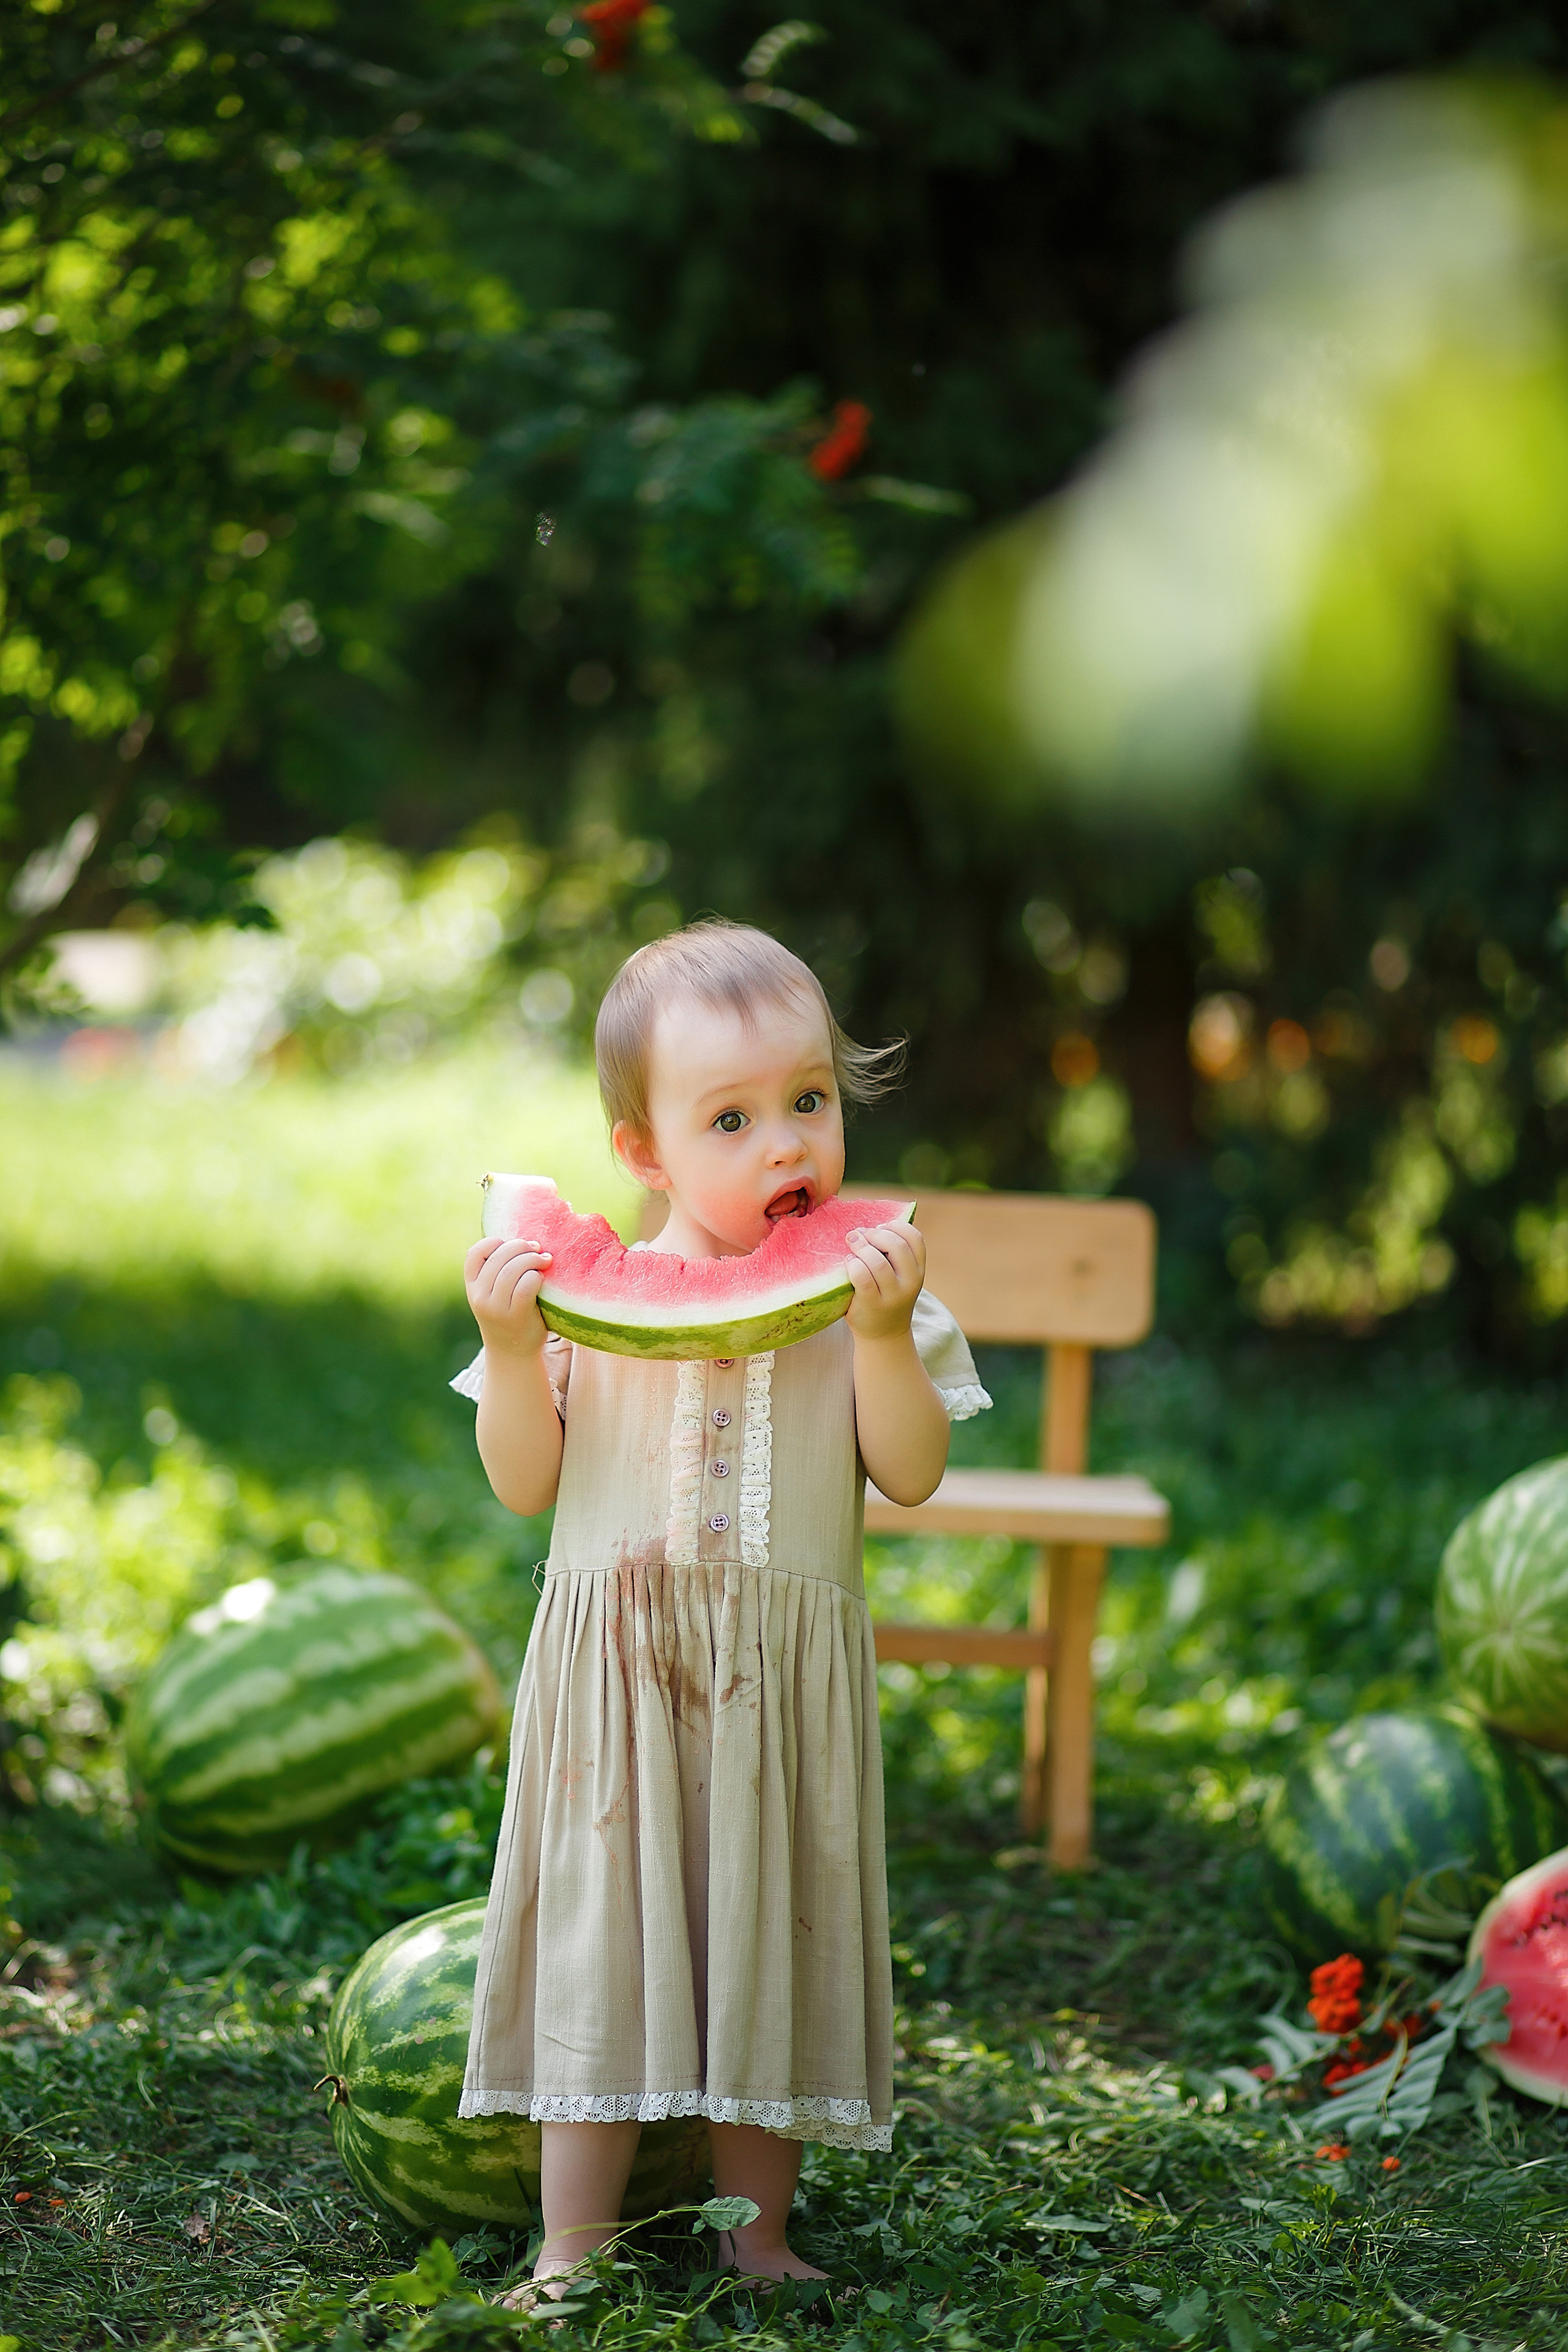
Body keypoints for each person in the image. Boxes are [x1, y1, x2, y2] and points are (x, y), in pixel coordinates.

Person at [451, 919, 990, 2305]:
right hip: (611, 1685)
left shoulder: (873, 1299)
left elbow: (914, 1472)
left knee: (771, 1935)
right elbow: (523, 1484)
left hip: (776, 1687)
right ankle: (569, 2245)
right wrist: (517, 1353)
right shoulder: (576, 1309)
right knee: (598, 1947)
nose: (785, 1146)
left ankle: (755, 2235)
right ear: (641, 1153)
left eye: (808, 1102)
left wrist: (878, 1337)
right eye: (732, 1118)